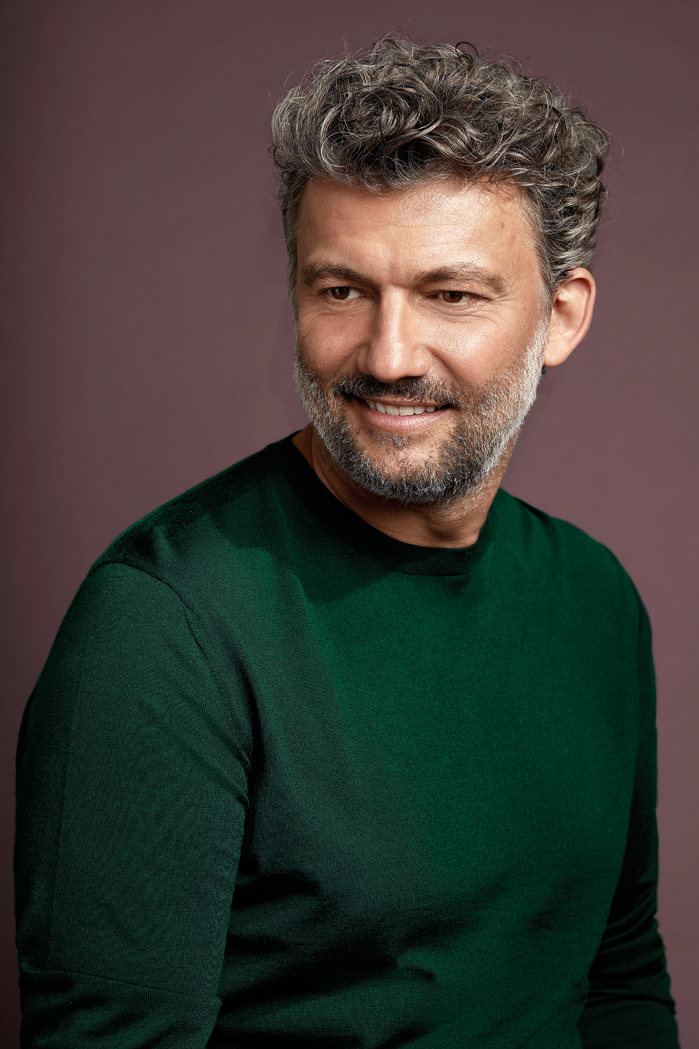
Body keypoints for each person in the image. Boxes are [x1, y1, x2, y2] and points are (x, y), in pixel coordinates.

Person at [15, 37, 680, 1048]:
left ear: (560, 315)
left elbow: (619, 973)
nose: (389, 355)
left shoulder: (595, 599)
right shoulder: (160, 627)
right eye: (341, 290)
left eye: (451, 294)